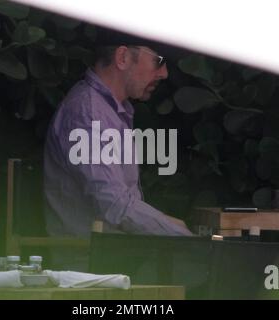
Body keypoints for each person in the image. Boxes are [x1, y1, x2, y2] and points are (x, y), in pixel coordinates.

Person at [44, 28, 193, 270]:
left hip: (116, 258)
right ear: (123, 57)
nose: (164, 73)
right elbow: (113, 204)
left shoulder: (108, 111)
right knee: (217, 269)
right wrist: (187, 238)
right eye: (159, 61)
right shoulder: (89, 113)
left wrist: (174, 227)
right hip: (92, 268)